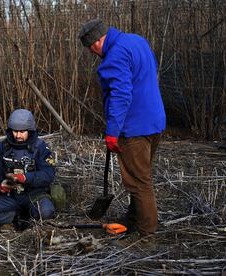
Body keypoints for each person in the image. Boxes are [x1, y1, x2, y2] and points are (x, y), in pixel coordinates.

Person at [78, 19, 166, 245]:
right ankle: (134, 218)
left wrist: (112, 132)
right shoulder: (137, 41)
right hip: (154, 122)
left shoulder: (114, 57)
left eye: (90, 47)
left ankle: (147, 235)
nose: (90, 52)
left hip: (134, 128)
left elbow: (121, 95)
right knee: (141, 176)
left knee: (139, 182)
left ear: (98, 40)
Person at [0, 109, 56, 230]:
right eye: (15, 131)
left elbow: (48, 174)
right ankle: (15, 217)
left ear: (30, 130)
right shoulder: (3, 147)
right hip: (9, 196)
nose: (18, 135)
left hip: (34, 195)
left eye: (22, 132)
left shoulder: (41, 147)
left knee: (47, 213)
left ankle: (31, 215)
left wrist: (25, 178)